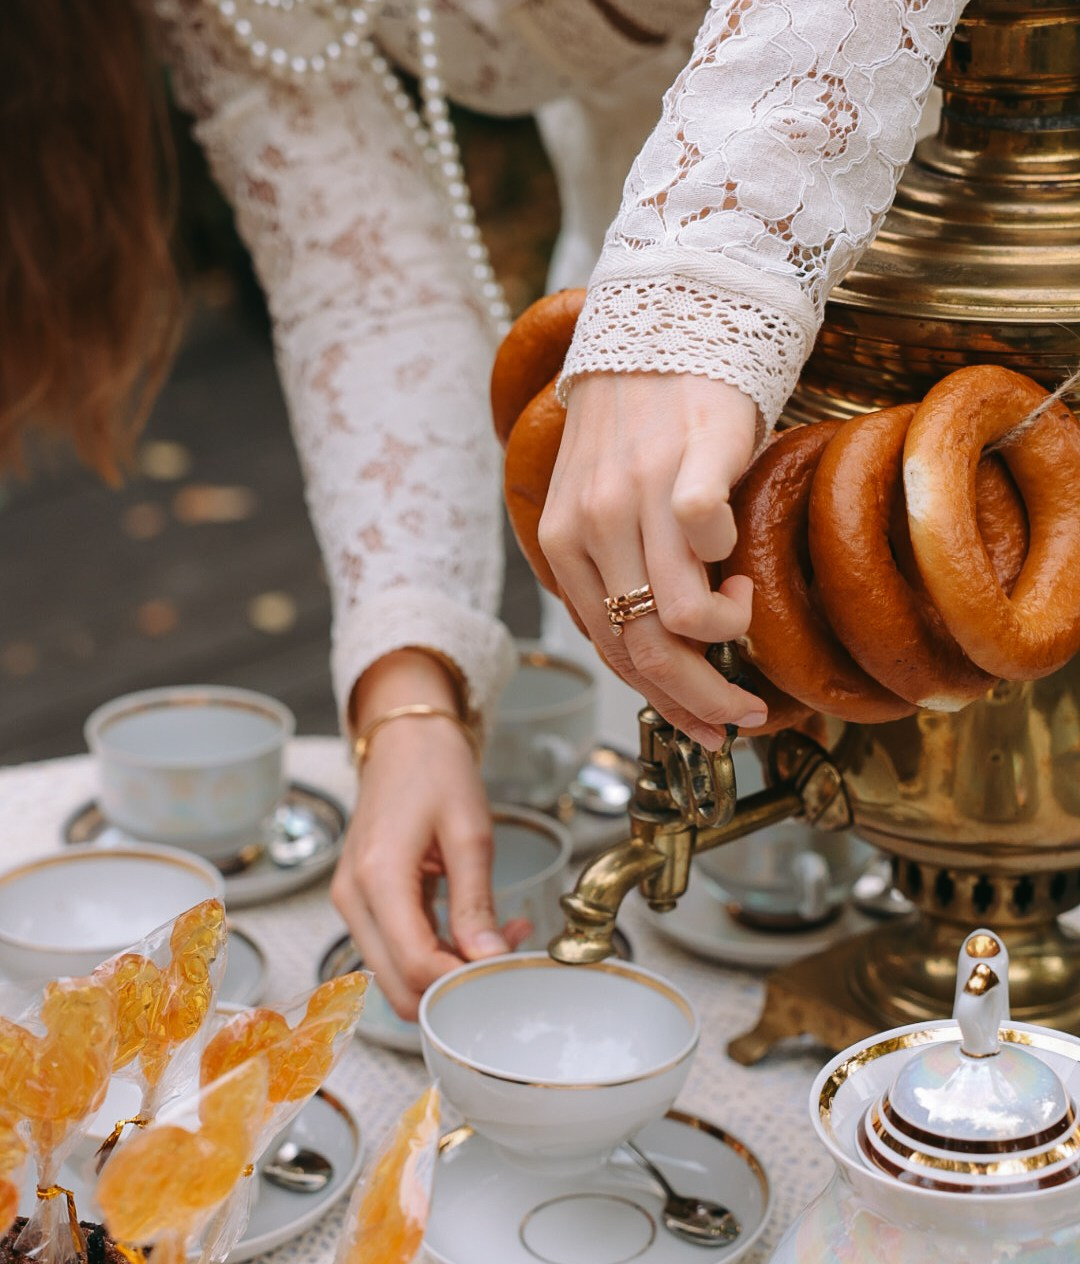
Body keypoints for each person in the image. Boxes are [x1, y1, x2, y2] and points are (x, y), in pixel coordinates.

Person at [0, 0, 968, 1016]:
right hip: (622, 393)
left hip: (973, 272)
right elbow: (367, 285)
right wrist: (408, 696)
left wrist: (688, 304)